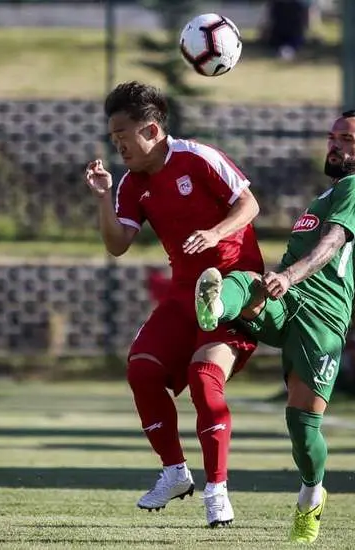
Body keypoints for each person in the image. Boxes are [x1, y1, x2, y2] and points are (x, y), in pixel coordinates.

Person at [192, 110, 355, 543]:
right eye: (332, 137)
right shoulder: (330, 196)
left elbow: (334, 244)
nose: (335, 145)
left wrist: (291, 278)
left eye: (346, 138)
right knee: (246, 283)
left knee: (303, 428)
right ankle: (216, 307)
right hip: (287, 300)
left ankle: (312, 493)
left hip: (321, 320)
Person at [83, 81, 264, 527]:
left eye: (122, 134)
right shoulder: (131, 183)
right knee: (141, 369)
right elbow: (117, 245)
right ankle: (175, 473)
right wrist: (104, 197)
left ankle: (217, 490)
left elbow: (250, 204)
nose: (117, 144)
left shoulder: (199, 158)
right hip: (184, 292)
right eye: (113, 137)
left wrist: (216, 233)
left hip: (232, 292)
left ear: (151, 129)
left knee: (204, 380)